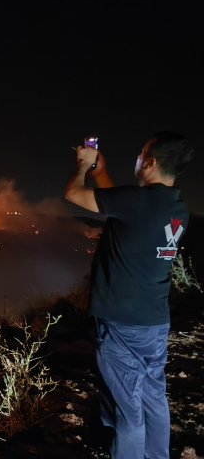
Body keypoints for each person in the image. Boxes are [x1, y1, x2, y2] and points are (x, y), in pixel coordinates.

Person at [64, 132, 194, 459]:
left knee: (128, 411)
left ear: (148, 162)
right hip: (153, 321)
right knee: (153, 398)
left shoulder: (137, 202)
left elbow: (73, 194)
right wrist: (100, 173)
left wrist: (82, 166)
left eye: (141, 153)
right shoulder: (176, 207)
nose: (137, 158)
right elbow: (122, 205)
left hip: (123, 323)